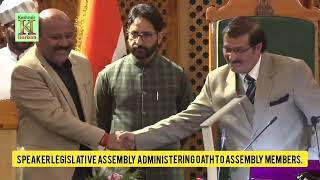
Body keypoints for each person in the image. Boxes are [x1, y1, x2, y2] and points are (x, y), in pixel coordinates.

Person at [119, 16, 320, 179]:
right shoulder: (216, 80)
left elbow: (318, 119)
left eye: (239, 50)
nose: (232, 56)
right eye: (227, 49)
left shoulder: (293, 71)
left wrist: (311, 163)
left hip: (291, 174)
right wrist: (137, 137)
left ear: (258, 47)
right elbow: (184, 122)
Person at [10, 9, 123, 180]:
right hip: (47, 170)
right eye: (55, 37)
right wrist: (104, 139)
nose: (64, 43)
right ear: (37, 38)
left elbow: (89, 115)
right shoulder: (26, 70)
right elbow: (56, 118)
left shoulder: (82, 62)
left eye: (69, 36)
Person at [95, 3, 193, 180]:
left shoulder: (177, 75)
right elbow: (101, 124)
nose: (139, 41)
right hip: (121, 171)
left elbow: (186, 124)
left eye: (147, 35)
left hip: (165, 170)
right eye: (134, 34)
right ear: (127, 33)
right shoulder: (107, 75)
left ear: (160, 36)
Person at [0, 0, 38, 100]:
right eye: (17, 26)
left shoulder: (47, 58)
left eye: (28, 25)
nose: (24, 32)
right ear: (3, 30)